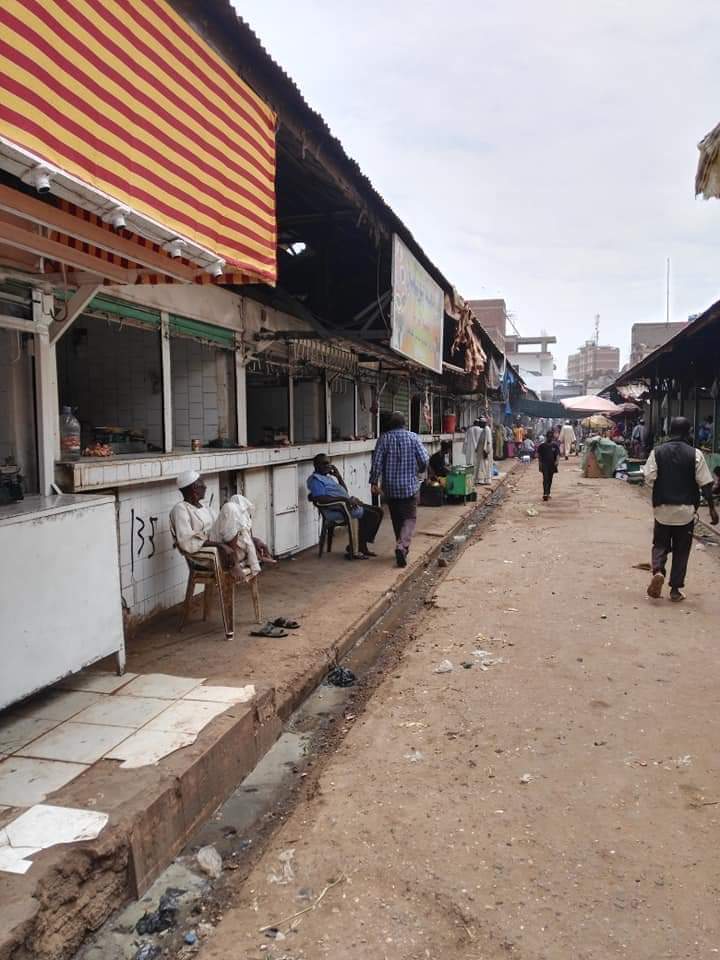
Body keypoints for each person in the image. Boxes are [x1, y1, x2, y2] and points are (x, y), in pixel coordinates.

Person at [643, 417, 718, 602]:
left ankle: (658, 571)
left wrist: (662, 487)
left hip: (662, 508)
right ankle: (675, 590)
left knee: (660, 544)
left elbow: (649, 477)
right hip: (685, 511)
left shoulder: (657, 452)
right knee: (681, 550)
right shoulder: (695, 454)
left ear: (670, 431)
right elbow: (706, 484)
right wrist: (712, 508)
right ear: (688, 432)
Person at [170, 471, 259, 580]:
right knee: (230, 508)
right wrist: (220, 545)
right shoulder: (180, 509)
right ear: (194, 487)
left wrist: (253, 539)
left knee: (237, 499)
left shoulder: (206, 508)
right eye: (202, 483)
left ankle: (252, 549)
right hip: (210, 555)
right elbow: (186, 541)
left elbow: (227, 529)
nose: (205, 486)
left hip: (226, 549)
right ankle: (233, 564)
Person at [370, 412, 429, 567]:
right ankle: (402, 546)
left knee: (396, 518)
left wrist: (374, 481)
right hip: (409, 486)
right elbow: (424, 459)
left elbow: (376, 463)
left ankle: (401, 546)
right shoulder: (413, 437)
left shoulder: (384, 439)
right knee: (410, 518)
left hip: (390, 487)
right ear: (404, 424)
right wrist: (420, 470)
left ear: (390, 425)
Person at [307, 453, 383, 559]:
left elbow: (344, 491)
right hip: (336, 510)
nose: (328, 466)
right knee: (372, 515)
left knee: (379, 511)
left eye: (328, 463)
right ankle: (357, 547)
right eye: (324, 463)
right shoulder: (315, 480)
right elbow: (321, 498)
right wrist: (345, 500)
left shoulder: (327, 478)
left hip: (345, 505)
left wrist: (338, 476)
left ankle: (361, 545)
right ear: (316, 465)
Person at [217, 493, 276, 569]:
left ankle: (257, 558)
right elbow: (230, 538)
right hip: (230, 552)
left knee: (252, 542)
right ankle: (253, 560)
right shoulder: (230, 518)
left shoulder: (244, 518)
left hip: (241, 549)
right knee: (245, 543)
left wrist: (259, 543)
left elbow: (248, 537)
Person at [537, 429, 560, 501]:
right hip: (544, 464)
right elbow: (539, 456)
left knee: (550, 479)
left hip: (552, 465)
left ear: (552, 437)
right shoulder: (542, 446)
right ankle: (545, 493)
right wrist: (540, 464)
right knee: (545, 478)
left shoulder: (555, 446)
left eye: (551, 437)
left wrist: (557, 461)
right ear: (546, 437)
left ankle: (548, 492)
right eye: (548, 436)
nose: (549, 438)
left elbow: (557, 454)